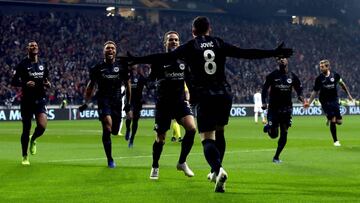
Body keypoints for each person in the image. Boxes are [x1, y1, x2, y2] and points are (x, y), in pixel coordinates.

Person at [124, 16, 293, 192]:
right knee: (220, 132)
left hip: (205, 96)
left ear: (193, 31)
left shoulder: (190, 46)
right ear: (209, 29)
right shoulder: (219, 43)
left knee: (207, 138)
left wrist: (137, 59)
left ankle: (218, 169)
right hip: (225, 94)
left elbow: (164, 56)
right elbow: (246, 53)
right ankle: (214, 171)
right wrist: (273, 52)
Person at [148, 31, 197, 180]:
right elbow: (151, 79)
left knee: (192, 129)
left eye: (176, 40)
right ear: (165, 43)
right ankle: (155, 165)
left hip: (180, 102)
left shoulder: (184, 61)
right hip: (163, 104)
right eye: (170, 40)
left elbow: (189, 80)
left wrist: (194, 96)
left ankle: (182, 162)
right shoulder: (159, 60)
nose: (174, 42)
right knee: (160, 139)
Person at [79, 41, 132, 168]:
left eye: (112, 48)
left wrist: (128, 103)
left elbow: (128, 85)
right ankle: (110, 159)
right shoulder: (97, 68)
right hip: (103, 101)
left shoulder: (121, 67)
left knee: (114, 131)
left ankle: (110, 153)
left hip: (117, 101)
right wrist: (86, 102)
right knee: (107, 128)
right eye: (107, 48)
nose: (110, 50)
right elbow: (90, 86)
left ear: (115, 51)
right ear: (104, 51)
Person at [11, 40, 51, 165]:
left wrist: (48, 84)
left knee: (42, 126)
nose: (34, 47)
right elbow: (13, 81)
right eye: (31, 46)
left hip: (40, 98)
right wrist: (25, 83)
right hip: (27, 100)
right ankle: (24, 156)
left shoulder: (43, 64)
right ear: (27, 49)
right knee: (26, 128)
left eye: (35, 45)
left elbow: (46, 79)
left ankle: (33, 139)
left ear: (38, 48)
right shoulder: (22, 64)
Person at [262, 58, 304, 163]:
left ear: (287, 61)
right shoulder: (272, 75)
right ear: (277, 62)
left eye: (284, 59)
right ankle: (269, 126)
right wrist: (263, 102)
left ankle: (276, 157)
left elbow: (299, 89)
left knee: (284, 132)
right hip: (273, 108)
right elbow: (264, 89)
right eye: (280, 59)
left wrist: (302, 98)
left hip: (287, 109)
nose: (282, 60)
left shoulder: (292, 76)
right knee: (273, 135)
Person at [304, 59, 353, 147]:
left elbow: (342, 84)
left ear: (328, 67)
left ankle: (329, 118)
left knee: (339, 122)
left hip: (334, 99)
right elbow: (315, 91)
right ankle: (336, 141)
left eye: (322, 67)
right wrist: (309, 102)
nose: (321, 68)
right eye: (320, 67)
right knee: (333, 119)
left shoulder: (335, 75)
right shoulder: (319, 78)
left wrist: (348, 95)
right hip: (324, 100)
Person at [125, 65, 147, 148]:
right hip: (129, 100)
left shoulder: (141, 77)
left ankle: (132, 139)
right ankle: (128, 129)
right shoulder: (128, 76)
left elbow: (148, 85)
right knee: (129, 117)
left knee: (135, 121)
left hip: (138, 102)